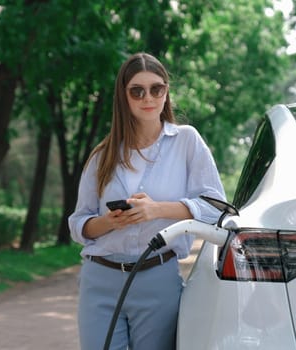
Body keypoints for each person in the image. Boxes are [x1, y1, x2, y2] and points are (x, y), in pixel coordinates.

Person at [68, 52, 226, 350]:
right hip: (100, 280)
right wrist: (106, 222)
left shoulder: (186, 141)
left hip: (157, 277)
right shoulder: (103, 155)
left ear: (167, 92)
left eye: (157, 88)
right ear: (123, 97)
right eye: (136, 91)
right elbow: (78, 224)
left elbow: (216, 208)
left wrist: (155, 210)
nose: (148, 97)